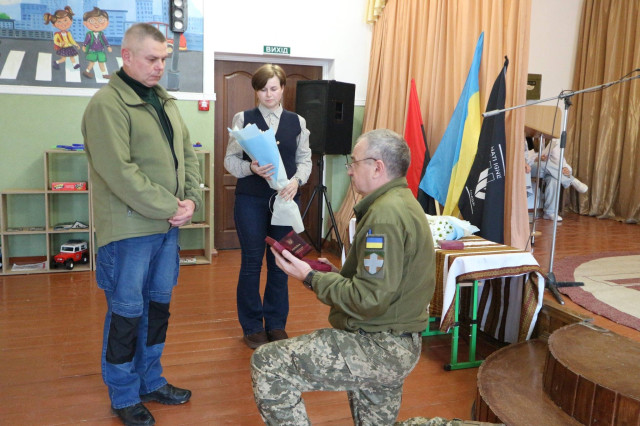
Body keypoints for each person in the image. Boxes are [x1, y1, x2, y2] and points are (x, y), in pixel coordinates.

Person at [251, 129, 436, 425]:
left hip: (379, 346)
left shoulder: (384, 216)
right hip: (397, 340)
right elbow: (386, 283)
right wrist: (337, 275)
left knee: (268, 363)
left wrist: (311, 277)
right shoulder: (403, 202)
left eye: (354, 162)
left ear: (377, 167)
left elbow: (369, 298)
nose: (349, 170)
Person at [81, 23, 202, 426]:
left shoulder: (165, 102)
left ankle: (151, 380)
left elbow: (188, 155)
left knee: (158, 309)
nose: (159, 67)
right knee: (127, 315)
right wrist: (172, 206)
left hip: (167, 228)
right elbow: (120, 173)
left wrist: (192, 200)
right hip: (129, 232)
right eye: (152, 59)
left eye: (164, 59)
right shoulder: (107, 105)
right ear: (127, 56)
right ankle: (124, 394)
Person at [224, 64, 312, 349]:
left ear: (283, 89)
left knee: (281, 262)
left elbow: (305, 160)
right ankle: (252, 326)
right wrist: (250, 168)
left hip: (286, 200)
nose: (269, 94)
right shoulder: (243, 118)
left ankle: (276, 324)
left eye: (274, 88)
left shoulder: (297, 122)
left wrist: (297, 181)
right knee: (252, 262)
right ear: (256, 91)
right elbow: (230, 161)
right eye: (263, 89)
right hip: (250, 200)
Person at [525, 137, 588, 222]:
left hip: (547, 169)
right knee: (546, 165)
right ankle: (572, 180)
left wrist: (565, 168)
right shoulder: (528, 138)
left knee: (553, 178)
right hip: (531, 167)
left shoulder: (551, 140)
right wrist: (537, 158)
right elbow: (524, 157)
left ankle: (549, 213)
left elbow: (559, 158)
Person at [44, 6, 81, 70]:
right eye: (59, 22)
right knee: (63, 59)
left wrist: (75, 44)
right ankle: (56, 62)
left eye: (65, 20)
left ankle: (75, 65)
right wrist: (60, 44)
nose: (63, 23)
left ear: (71, 21)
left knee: (72, 56)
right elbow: (55, 41)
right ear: (54, 25)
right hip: (63, 48)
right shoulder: (57, 34)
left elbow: (71, 40)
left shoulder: (68, 33)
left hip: (69, 47)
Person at [81, 7, 112, 79]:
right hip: (92, 51)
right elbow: (86, 40)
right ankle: (87, 71)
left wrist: (108, 46)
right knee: (92, 62)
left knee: (101, 62)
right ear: (85, 23)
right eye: (92, 21)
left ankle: (104, 74)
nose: (96, 23)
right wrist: (84, 46)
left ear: (107, 23)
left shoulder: (101, 34)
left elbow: (105, 40)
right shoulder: (89, 34)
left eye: (100, 20)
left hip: (100, 51)